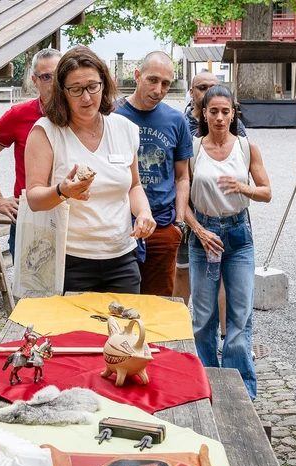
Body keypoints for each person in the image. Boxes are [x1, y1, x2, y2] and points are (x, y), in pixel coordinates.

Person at [23, 46, 156, 293]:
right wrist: (62, 191)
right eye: (76, 89)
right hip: (69, 259)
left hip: (122, 257)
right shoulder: (46, 131)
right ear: (62, 91)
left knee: (125, 319)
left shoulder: (124, 128)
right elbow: (34, 198)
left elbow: (134, 185)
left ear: (104, 84)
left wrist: (144, 213)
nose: (86, 97)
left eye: (93, 86)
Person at [180, 85, 271, 399]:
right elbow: (182, 203)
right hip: (203, 234)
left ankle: (239, 388)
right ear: (204, 114)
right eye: (213, 111)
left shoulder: (246, 147)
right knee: (203, 315)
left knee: (240, 312)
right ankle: (206, 384)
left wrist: (243, 188)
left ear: (233, 114)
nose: (219, 117)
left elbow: (266, 192)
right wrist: (198, 231)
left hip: (238, 235)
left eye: (225, 111)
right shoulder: (192, 148)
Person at [115, 51, 193, 297]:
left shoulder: (176, 120)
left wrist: (178, 223)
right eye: (152, 80)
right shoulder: (112, 116)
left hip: (162, 226)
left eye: (166, 84)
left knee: (159, 302)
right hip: (119, 226)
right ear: (137, 76)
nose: (158, 90)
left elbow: (182, 176)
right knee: (119, 302)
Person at [0, 48, 61, 255]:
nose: (54, 82)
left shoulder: (80, 115)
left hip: (70, 213)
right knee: (30, 274)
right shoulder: (19, 115)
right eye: (46, 77)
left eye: (58, 74)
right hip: (30, 214)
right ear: (34, 81)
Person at [185, 71, 247, 137]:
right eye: (202, 88)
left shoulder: (233, 123)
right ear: (191, 92)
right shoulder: (182, 122)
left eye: (213, 88)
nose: (208, 92)